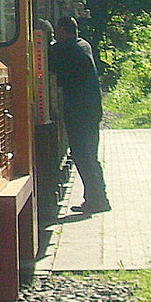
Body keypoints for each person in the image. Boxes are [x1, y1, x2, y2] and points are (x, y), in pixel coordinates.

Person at [48, 15, 109, 214]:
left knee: (83, 156)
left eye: (57, 32)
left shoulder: (68, 49)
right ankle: (98, 198)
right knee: (90, 156)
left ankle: (96, 201)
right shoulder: (83, 45)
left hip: (80, 112)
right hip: (90, 110)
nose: (56, 36)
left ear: (64, 31)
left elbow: (47, 58)